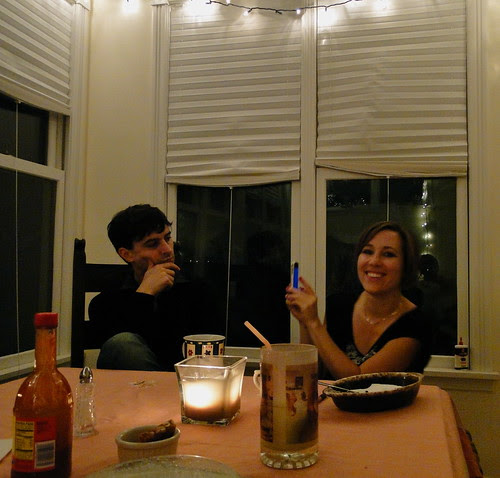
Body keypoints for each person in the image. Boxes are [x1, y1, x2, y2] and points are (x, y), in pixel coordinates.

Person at [285, 221, 431, 379]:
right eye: (368, 251)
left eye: (388, 254)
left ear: (406, 266)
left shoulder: (415, 324)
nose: (374, 261)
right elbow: (314, 373)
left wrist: (314, 322)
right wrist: (305, 321)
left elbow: (358, 381)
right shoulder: (339, 304)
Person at [88, 204, 215, 371]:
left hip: (185, 381)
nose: (167, 249)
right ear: (127, 254)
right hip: (130, 384)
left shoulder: (196, 291)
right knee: (122, 344)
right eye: (153, 244)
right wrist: (145, 294)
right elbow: (118, 353)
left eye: (167, 238)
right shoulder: (106, 302)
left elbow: (202, 352)